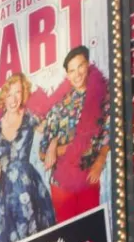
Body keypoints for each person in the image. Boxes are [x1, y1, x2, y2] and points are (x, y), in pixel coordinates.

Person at [0, 72, 55, 242]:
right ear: (3, 97)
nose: (14, 99)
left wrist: (53, 144)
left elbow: (52, 127)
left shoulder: (30, 118)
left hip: (26, 188)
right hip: (0, 195)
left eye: (18, 92)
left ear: (24, 93)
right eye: (9, 94)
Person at [39, 45, 111, 222]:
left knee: (91, 234)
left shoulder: (102, 95)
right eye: (71, 70)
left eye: (80, 66)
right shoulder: (59, 106)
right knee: (68, 237)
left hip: (88, 176)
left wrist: (100, 160)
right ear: (67, 75)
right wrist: (54, 146)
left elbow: (109, 132)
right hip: (61, 183)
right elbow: (42, 151)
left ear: (88, 65)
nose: (77, 74)